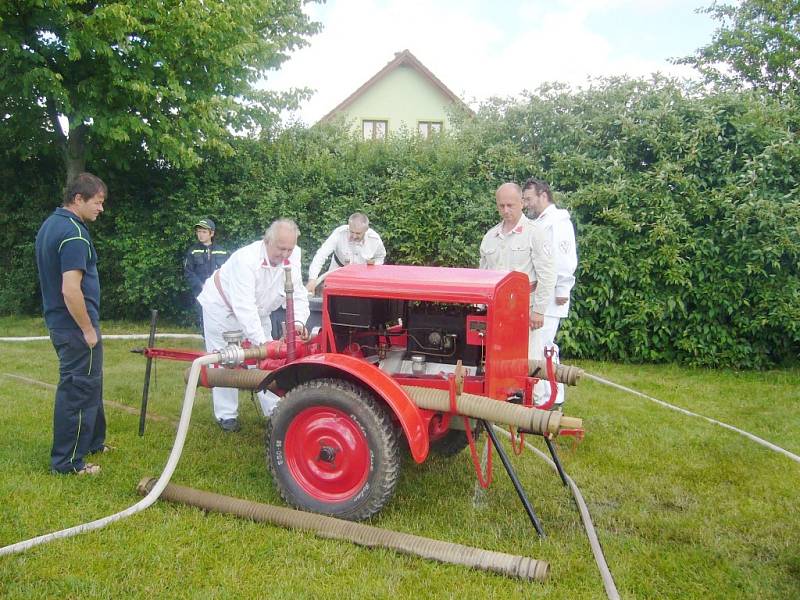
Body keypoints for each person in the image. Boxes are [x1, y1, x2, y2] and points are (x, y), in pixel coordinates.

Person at [197, 218, 310, 431]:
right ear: (267, 241)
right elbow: (244, 307)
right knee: (225, 358)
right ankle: (226, 415)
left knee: (264, 362)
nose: (285, 254)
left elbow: (298, 293)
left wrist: (299, 323)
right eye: (281, 249)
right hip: (222, 308)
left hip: (260, 310)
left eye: (290, 249)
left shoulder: (294, 255)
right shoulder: (246, 260)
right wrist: (264, 345)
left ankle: (275, 410)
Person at [35, 172, 108, 475]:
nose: (101, 208)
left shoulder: (51, 225)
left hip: (61, 324)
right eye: (98, 202)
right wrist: (88, 329)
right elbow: (70, 289)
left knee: (90, 383)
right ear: (78, 199)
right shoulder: (74, 234)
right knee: (78, 389)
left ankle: (92, 441)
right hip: (76, 328)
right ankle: (68, 463)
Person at [479, 182, 557, 403]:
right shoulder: (490, 236)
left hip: (526, 308)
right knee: (499, 360)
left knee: (530, 359)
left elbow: (547, 275)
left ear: (522, 203)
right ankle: (505, 401)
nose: (506, 210)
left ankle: (537, 405)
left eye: (511, 205)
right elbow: (482, 275)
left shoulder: (535, 234)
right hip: (498, 311)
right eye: (501, 205)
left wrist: (539, 311)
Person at [522, 178, 578, 409]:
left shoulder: (558, 222)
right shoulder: (543, 221)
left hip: (553, 296)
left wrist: (564, 287)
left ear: (543, 195)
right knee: (541, 345)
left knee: (544, 346)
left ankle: (550, 398)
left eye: (528, 199)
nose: (526, 204)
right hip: (542, 294)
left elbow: (564, 257)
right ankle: (547, 396)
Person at [306, 212, 386, 294]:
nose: (354, 236)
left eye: (358, 233)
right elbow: (321, 255)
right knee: (332, 299)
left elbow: (380, 256)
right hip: (337, 270)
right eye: (351, 232)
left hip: (362, 276)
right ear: (349, 226)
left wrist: (374, 265)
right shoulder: (339, 233)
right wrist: (312, 279)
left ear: (366, 230)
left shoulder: (374, 239)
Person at [184, 218, 229, 330]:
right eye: (198, 231)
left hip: (219, 294)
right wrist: (201, 285)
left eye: (204, 232)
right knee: (204, 321)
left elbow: (228, 273)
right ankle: (207, 344)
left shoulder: (222, 251)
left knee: (220, 322)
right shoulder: (193, 251)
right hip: (201, 293)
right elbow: (188, 272)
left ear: (211, 233)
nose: (200, 234)